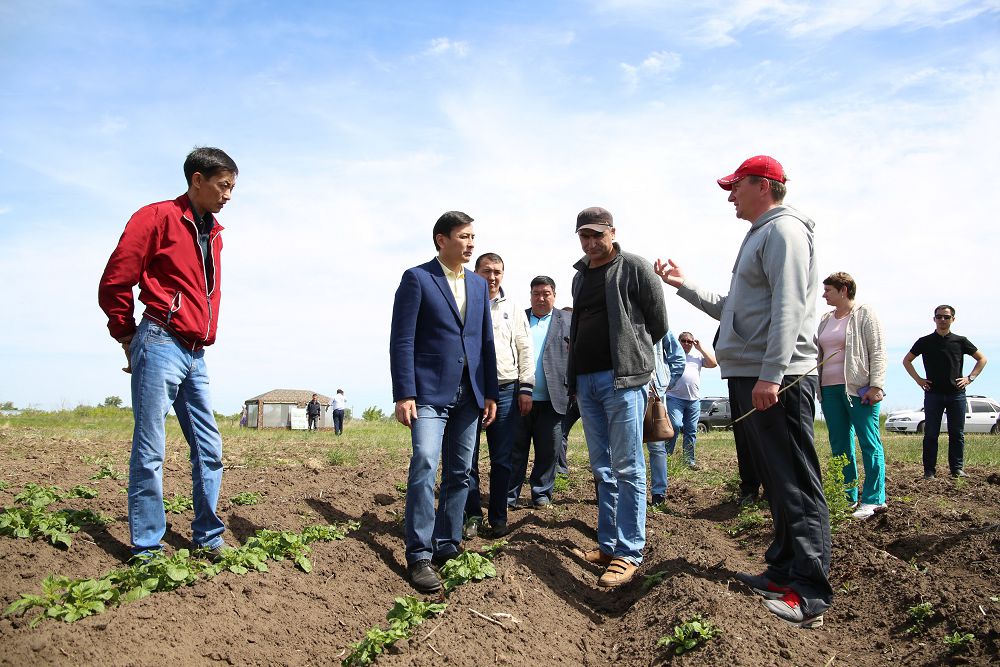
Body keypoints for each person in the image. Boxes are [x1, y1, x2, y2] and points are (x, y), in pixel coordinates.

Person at [655, 155, 831, 628]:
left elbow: (789, 306)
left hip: (775, 378)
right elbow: (733, 308)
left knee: (795, 481)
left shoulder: (784, 231)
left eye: (736, 186)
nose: (730, 195)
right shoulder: (760, 234)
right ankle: (783, 570)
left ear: (764, 185)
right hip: (752, 373)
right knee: (775, 478)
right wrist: (683, 285)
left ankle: (809, 593)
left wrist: (772, 374)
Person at [98, 146, 238, 558]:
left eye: (232, 187)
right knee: (150, 449)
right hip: (160, 340)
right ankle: (147, 547)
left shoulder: (213, 233)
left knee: (209, 449)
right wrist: (126, 335)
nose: (228, 195)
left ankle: (208, 537)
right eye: (223, 185)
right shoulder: (156, 217)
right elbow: (115, 280)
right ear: (197, 180)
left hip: (196, 353)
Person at [390, 211, 498, 593]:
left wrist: (489, 391)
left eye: (473, 237)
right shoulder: (418, 279)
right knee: (424, 462)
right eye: (464, 236)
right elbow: (402, 339)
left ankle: (447, 544)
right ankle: (419, 554)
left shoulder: (478, 285)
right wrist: (404, 393)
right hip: (428, 394)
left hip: (470, 393)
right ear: (442, 239)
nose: (471, 243)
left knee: (460, 472)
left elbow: (485, 341)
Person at [569, 206, 668, 588]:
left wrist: (632, 356)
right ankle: (609, 545)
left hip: (623, 381)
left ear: (612, 232)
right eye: (585, 236)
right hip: (586, 382)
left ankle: (629, 552)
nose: (591, 242)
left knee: (627, 466)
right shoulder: (580, 277)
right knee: (602, 468)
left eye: (598, 234)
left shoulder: (635, 267)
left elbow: (658, 322)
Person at [464, 253, 534, 539]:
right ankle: (471, 515)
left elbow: (525, 348)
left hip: (506, 388)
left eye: (497, 272)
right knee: (466, 457)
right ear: (475, 273)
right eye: (486, 271)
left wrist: (526, 387)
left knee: (502, 458)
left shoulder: (513, 308)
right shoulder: (465, 303)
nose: (492, 277)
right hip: (471, 388)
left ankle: (498, 517)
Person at [816, 272, 887, 520]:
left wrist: (876, 385)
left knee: (869, 442)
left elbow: (878, 351)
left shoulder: (864, 314)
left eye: (828, 290)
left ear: (844, 290)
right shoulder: (825, 319)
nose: (823, 295)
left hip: (859, 390)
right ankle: (846, 497)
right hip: (829, 390)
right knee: (840, 444)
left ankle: (874, 500)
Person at [903, 305, 987, 479]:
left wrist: (970, 378)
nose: (942, 320)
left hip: (956, 394)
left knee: (956, 434)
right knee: (931, 434)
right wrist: (919, 380)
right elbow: (907, 361)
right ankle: (929, 471)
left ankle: (957, 469)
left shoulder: (960, 341)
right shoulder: (924, 341)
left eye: (946, 317)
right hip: (933, 394)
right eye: (939, 316)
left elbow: (982, 359)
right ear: (934, 319)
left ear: (953, 319)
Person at [508, 276, 571, 510]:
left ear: (554, 295)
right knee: (515, 450)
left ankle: (541, 493)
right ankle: (509, 496)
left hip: (554, 399)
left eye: (546, 293)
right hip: (518, 398)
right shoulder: (518, 318)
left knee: (549, 450)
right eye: (536, 294)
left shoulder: (568, 320)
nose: (541, 298)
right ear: (530, 295)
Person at [664, 333, 718, 469]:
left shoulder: (697, 357)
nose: (687, 343)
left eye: (690, 341)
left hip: (693, 400)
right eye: (684, 341)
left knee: (691, 430)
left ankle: (689, 461)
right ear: (678, 341)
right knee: (675, 426)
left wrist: (700, 348)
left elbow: (713, 363)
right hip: (674, 398)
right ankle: (666, 458)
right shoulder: (672, 355)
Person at [647, 331, 686, 506]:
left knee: (656, 444)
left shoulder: (658, 322)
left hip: (654, 391)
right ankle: (629, 493)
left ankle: (658, 494)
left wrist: (667, 383)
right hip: (627, 389)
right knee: (628, 444)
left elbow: (678, 357)